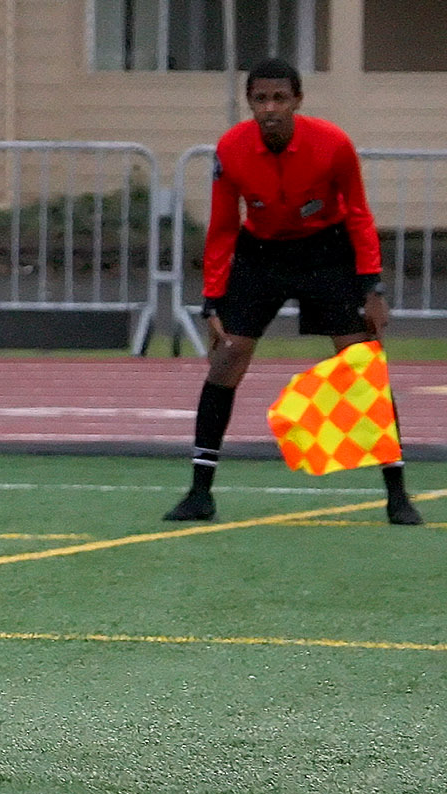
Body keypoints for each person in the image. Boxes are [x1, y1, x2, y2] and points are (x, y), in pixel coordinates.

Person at [164, 58, 423, 525]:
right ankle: (199, 493)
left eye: (280, 98)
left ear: (298, 101)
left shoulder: (333, 144)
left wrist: (372, 287)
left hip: (326, 253)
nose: (270, 109)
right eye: (261, 99)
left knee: (360, 367)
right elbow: (223, 227)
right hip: (260, 254)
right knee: (226, 357)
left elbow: (360, 216)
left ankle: (398, 495)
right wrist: (212, 299)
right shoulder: (231, 148)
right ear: (250, 104)